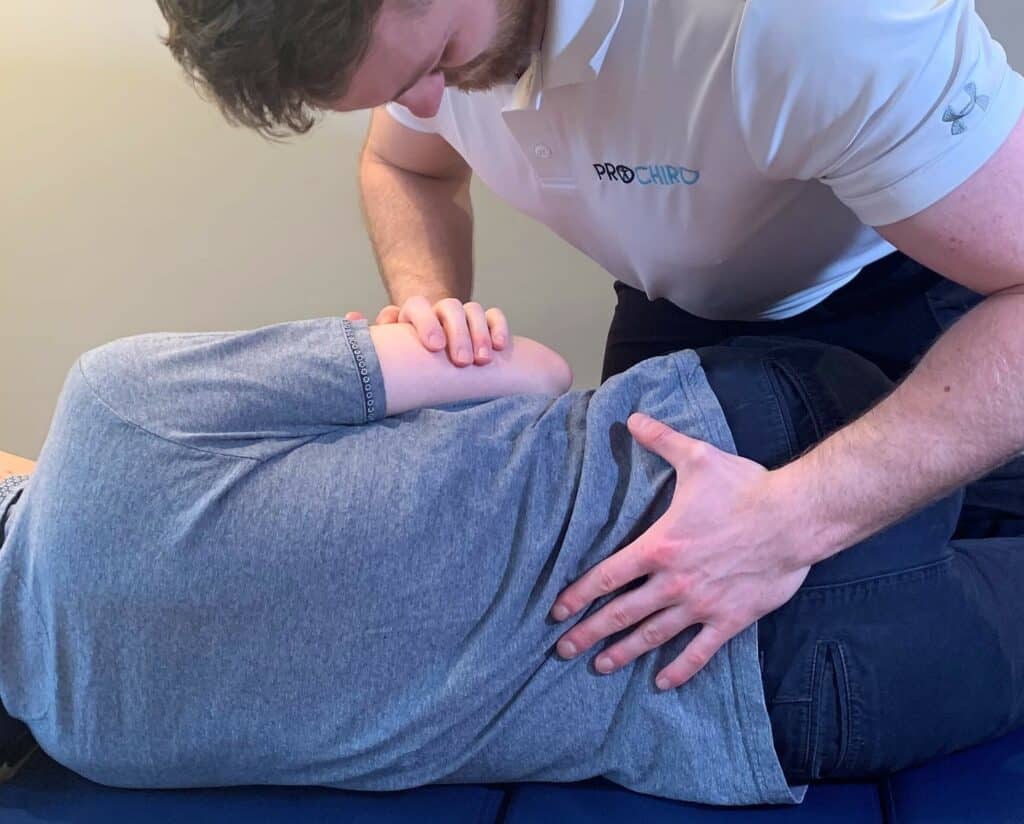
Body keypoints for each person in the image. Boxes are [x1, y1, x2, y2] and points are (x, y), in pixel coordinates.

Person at [152, 0, 1024, 696]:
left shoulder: (812, 21)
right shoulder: (419, 48)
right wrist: (429, 306)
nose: (424, 105)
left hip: (936, 303)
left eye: (432, 66)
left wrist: (793, 519)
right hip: (678, 314)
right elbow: (407, 166)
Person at [1, 314, 1021, 804]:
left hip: (787, 696)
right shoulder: (115, 411)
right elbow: (534, 371)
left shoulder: (96, 739)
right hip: (753, 442)